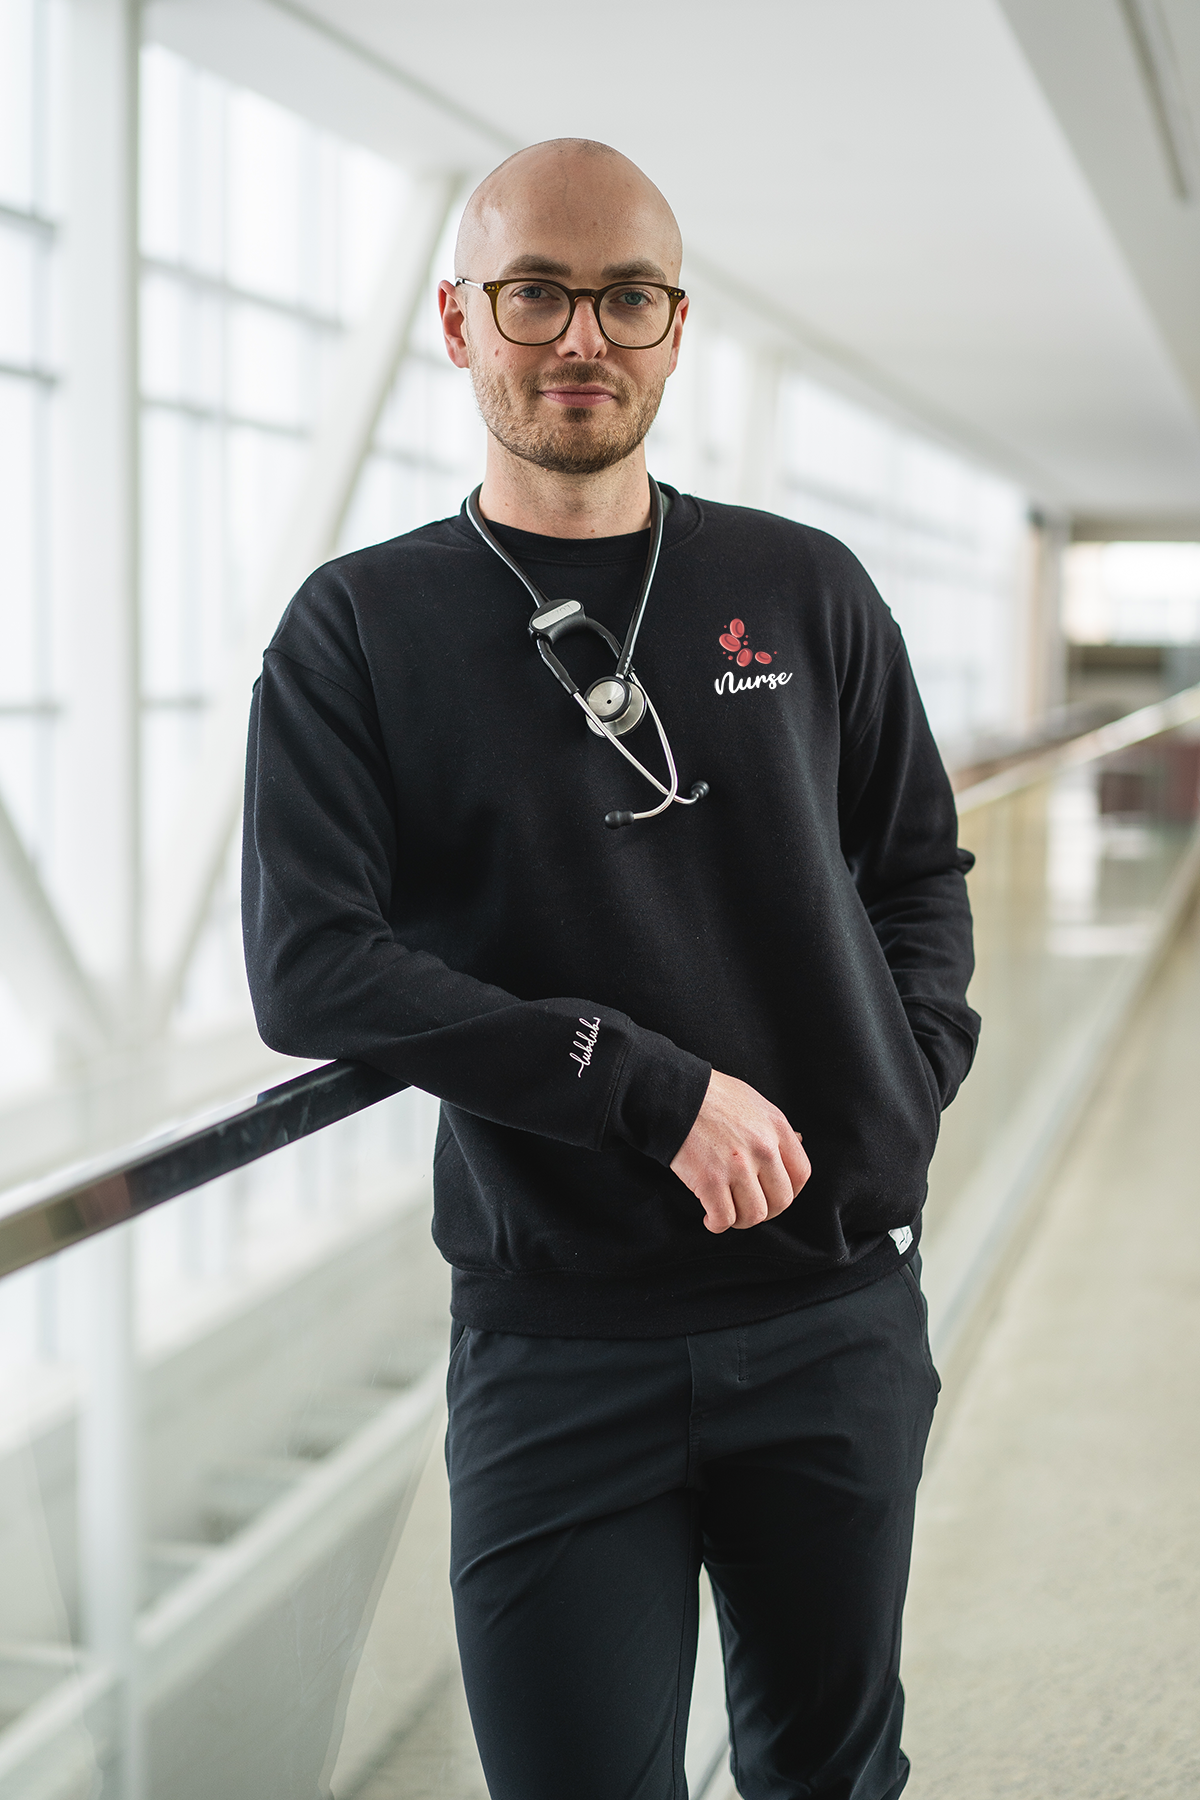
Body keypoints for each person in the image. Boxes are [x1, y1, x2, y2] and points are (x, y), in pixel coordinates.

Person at [242, 137, 979, 1800]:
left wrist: (898, 1085)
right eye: (537, 295)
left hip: (831, 1312)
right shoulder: (358, 628)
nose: (583, 337)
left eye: (627, 298)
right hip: (558, 1345)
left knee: (832, 1775)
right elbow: (312, 965)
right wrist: (644, 1089)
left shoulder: (804, 586)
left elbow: (918, 873)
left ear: (675, 326)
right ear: (459, 319)